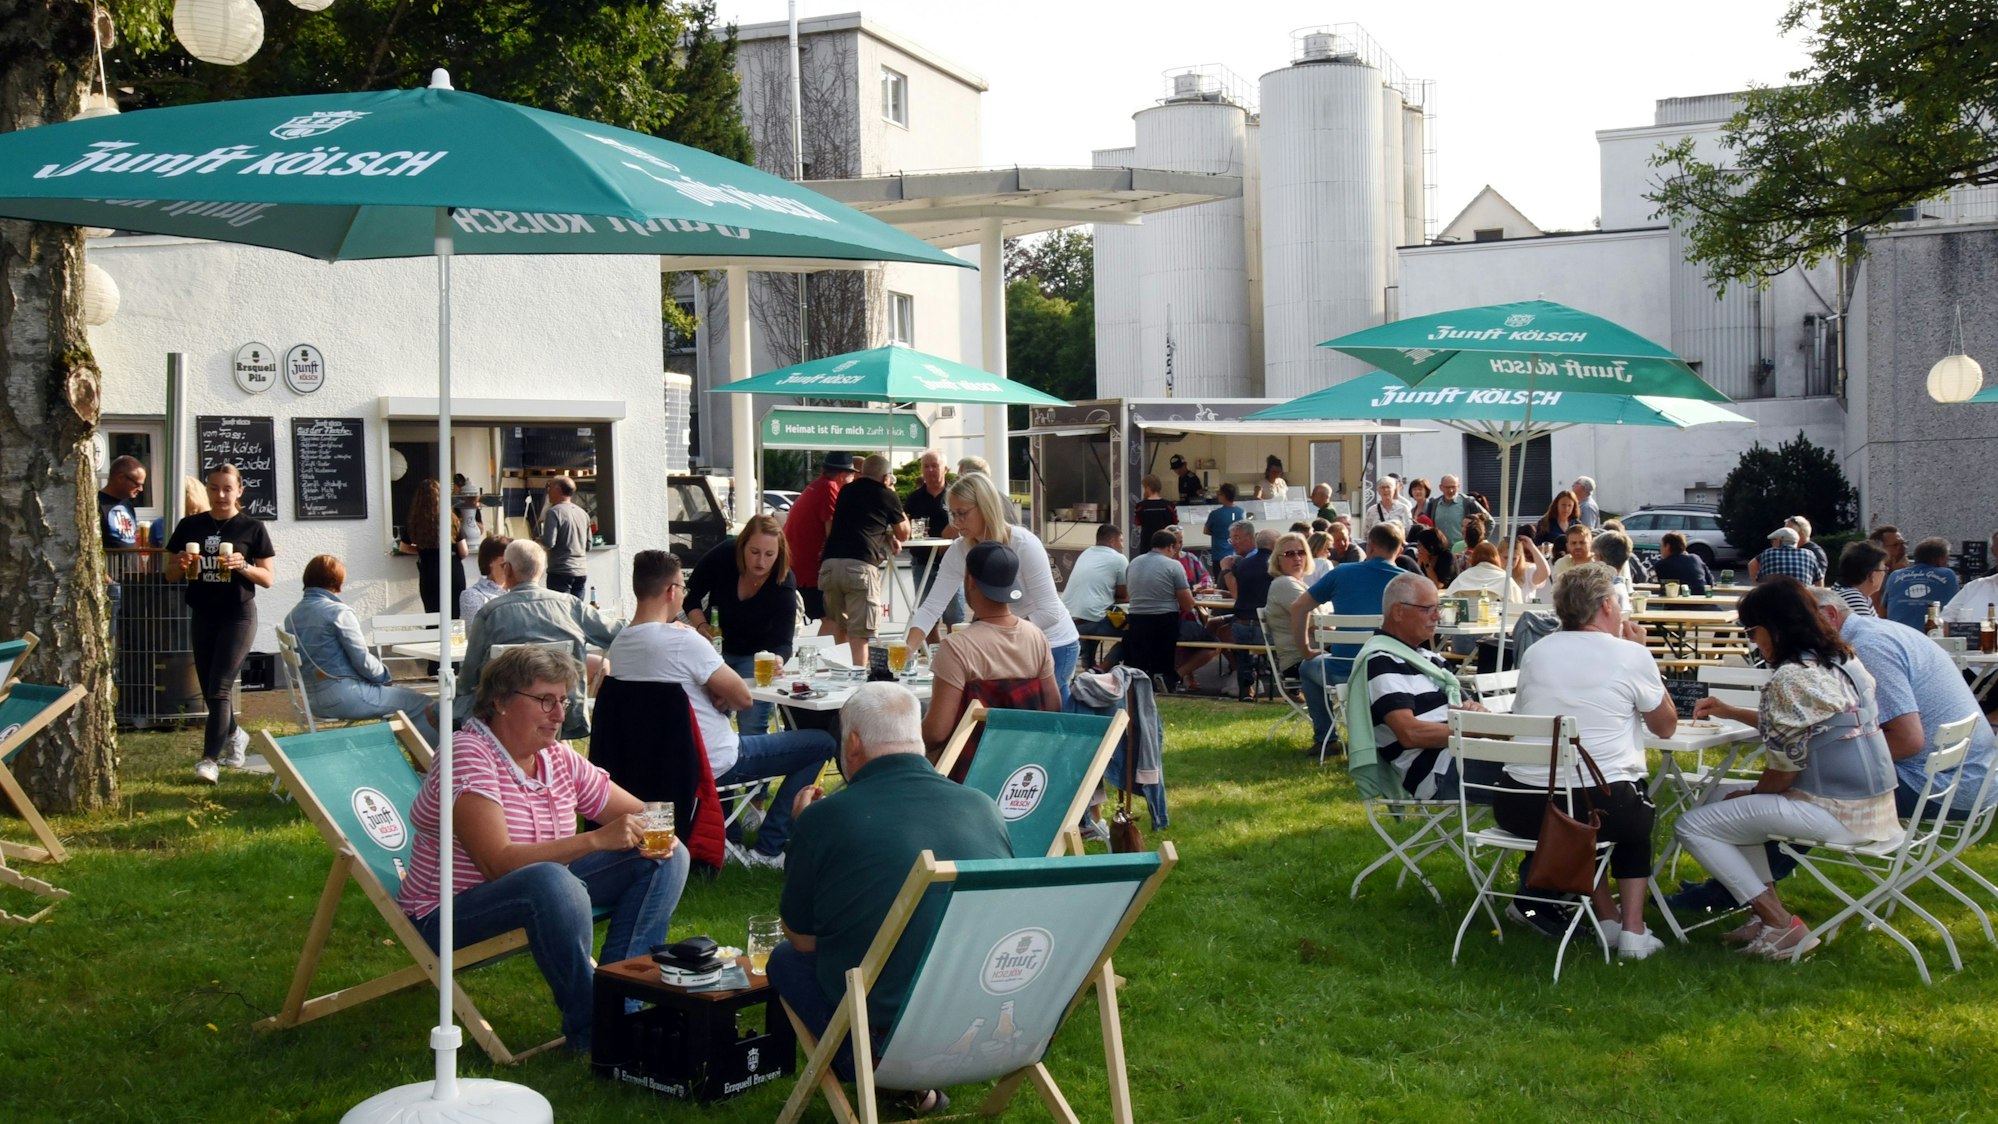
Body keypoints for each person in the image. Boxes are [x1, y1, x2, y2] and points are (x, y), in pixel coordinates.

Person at [397, 645, 688, 1055]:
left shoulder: (555, 756)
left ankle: (620, 1002)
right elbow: (498, 864)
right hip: (449, 916)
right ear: (499, 701)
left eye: (563, 700)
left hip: (543, 890)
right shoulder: (468, 755)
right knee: (552, 878)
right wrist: (594, 840)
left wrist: (655, 828)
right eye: (545, 701)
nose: (559, 714)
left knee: (668, 854)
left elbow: (644, 814)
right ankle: (594, 1031)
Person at [770, 683, 1013, 1109]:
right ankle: (914, 1091)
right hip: (990, 1023)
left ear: (854, 742)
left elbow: (803, 940)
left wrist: (803, 829)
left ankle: (893, 1081)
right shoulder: (983, 806)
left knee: (785, 960)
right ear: (915, 736)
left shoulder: (826, 818)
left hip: (888, 1041)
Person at [1672, 578, 1900, 960]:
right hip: (1873, 803)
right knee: (1716, 796)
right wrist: (1732, 712)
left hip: (1836, 810)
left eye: (1753, 631)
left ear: (1774, 627)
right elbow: (1813, 726)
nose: (1753, 641)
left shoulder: (1790, 677)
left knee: (1691, 825)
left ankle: (1779, 924)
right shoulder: (1842, 660)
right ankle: (1764, 919)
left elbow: (1782, 772)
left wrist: (1753, 794)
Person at [606, 550, 835, 870]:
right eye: (683, 588)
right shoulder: (682, 641)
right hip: (711, 761)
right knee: (821, 743)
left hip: (655, 766)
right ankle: (769, 849)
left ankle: (733, 837)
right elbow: (743, 697)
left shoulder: (619, 646)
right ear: (672, 590)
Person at [1497, 563, 1674, 955]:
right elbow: (1665, 726)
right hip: (1592, 806)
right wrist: (1645, 657)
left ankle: (1608, 919)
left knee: (1604, 801)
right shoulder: (1630, 655)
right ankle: (1632, 929)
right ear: (1607, 605)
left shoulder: (1537, 652)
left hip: (1521, 804)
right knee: (1629, 811)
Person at [904, 472, 1081, 708]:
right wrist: (906, 649)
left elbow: (1049, 611)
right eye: (951, 514)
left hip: (1055, 642)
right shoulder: (959, 550)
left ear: (985, 506)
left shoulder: (1024, 543)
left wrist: (997, 637)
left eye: (962, 513)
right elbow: (931, 606)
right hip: (1011, 644)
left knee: (1048, 720)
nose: (955, 522)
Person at [166, 464, 276, 784]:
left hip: (238, 614)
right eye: (214, 488)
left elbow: (267, 578)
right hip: (202, 612)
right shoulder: (190, 525)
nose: (221, 495)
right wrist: (180, 564)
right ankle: (236, 735)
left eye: (228, 489)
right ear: (207, 490)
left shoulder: (251, 528)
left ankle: (209, 761)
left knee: (219, 689)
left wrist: (243, 566)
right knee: (210, 688)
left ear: (239, 491)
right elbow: (170, 573)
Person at [455, 540, 619, 738]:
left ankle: (447, 761)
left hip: (502, 712)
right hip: (563, 711)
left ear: (507, 569)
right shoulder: (570, 606)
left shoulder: (490, 613)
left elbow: (469, 676)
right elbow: (617, 632)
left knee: (440, 710)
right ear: (542, 571)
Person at [1345, 573, 1487, 799]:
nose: (1437, 616)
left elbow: (1469, 706)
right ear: (1398, 611)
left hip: (1464, 756)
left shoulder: (1430, 659)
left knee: (1543, 769)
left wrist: (1478, 714)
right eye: (1428, 609)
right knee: (1538, 773)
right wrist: (1477, 729)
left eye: (1438, 608)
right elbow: (1410, 733)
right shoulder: (1381, 661)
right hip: (1438, 772)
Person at [284, 555, 440, 745]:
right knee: (421, 703)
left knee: (402, 704)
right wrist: (384, 676)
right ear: (338, 583)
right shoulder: (338, 612)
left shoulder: (292, 616)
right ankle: (435, 764)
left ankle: (421, 762)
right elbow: (362, 660)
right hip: (346, 697)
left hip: (313, 701)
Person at [921, 541, 1061, 751]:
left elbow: (936, 732)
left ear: (970, 582)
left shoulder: (956, 647)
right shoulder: (1036, 637)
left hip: (967, 770)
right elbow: (1053, 708)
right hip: (1024, 764)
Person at [1293, 523, 1409, 750]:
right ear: (1400, 550)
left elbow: (1299, 608)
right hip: (1393, 671)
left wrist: (1305, 650)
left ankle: (1326, 738)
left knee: (1308, 667)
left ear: (1370, 545)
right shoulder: (1407, 582)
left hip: (1345, 670)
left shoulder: (1342, 572)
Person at [684, 515, 801, 736]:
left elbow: (784, 642)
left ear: (779, 554)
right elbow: (690, 597)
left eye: (769, 555)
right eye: (754, 552)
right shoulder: (723, 555)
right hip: (716, 650)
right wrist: (701, 626)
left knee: (753, 726)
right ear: (742, 545)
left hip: (757, 658)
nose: (761, 562)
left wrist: (777, 660)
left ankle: (755, 769)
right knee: (711, 723)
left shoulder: (783, 582)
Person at [820, 453, 911, 664]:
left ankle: (839, 678)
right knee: (860, 635)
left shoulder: (846, 491)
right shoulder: (886, 494)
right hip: (860, 566)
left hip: (830, 566)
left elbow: (862, 522)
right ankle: (859, 686)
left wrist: (885, 535)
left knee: (838, 626)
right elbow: (904, 533)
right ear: (886, 477)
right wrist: (894, 496)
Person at [784, 452, 857, 624]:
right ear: (842, 475)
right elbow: (834, 535)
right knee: (834, 620)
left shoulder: (818, 485)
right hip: (807, 572)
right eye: (852, 475)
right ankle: (829, 652)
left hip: (795, 566)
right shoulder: (830, 488)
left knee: (832, 620)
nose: (853, 480)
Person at [1123, 530, 1196, 692]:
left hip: (1135, 619)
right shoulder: (1173, 565)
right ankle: (1167, 678)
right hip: (1164, 620)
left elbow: (1129, 594)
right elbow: (1187, 605)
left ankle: (1140, 685)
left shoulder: (1133, 563)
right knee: (1206, 641)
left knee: (1140, 658)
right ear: (1170, 547)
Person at [901, 450, 964, 635]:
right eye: (925, 466)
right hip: (922, 561)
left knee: (955, 616)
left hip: (952, 561)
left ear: (945, 469)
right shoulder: (915, 497)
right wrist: (912, 531)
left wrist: (951, 531)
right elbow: (905, 523)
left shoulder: (955, 495)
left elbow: (967, 520)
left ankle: (956, 655)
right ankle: (933, 656)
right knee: (926, 614)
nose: (929, 470)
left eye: (934, 466)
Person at [398, 479, 468, 619]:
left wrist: (420, 550)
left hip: (429, 572)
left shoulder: (415, 521)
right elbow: (464, 551)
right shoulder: (452, 520)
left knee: (433, 616)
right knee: (454, 618)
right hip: (452, 569)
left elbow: (403, 547)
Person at [1062, 523, 1128, 670]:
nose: (1122, 545)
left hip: (1068, 621)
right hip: (1092, 622)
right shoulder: (1119, 559)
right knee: (1135, 633)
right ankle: (1103, 667)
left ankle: (1089, 667)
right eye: (1121, 540)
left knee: (1095, 615)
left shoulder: (1085, 554)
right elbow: (1124, 595)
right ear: (1112, 541)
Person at [1221, 525, 1275, 700]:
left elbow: (1239, 594)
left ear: (1252, 539)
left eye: (1237, 538)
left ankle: (1245, 685)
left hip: (1243, 625)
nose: (1233, 542)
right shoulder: (1276, 565)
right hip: (1266, 627)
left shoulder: (1242, 564)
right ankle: (1292, 687)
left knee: (1224, 631)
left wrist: (1226, 570)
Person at [1264, 532, 1315, 679]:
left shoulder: (1299, 584)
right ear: (1277, 560)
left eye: (1301, 552)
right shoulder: (1285, 583)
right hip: (1301, 661)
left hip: (1316, 655)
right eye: (1289, 554)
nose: (1297, 558)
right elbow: (1318, 623)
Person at [1884, 536, 1960, 630]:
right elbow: (1956, 608)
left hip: (1897, 633)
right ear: (1940, 559)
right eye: (1947, 557)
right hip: (1930, 635)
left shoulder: (1895, 575)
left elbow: (1884, 609)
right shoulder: (1947, 574)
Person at [536, 474, 591, 599]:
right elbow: (589, 545)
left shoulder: (554, 512)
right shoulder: (583, 513)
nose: (548, 492)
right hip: (581, 571)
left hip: (560, 571)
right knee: (577, 612)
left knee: (561, 612)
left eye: (550, 487)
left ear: (558, 489)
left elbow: (550, 543)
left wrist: (539, 540)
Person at [98, 453, 145, 550]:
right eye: (137, 484)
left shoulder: (127, 504)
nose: (141, 489)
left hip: (131, 565)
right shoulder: (96, 504)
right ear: (120, 478)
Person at [459, 535, 513, 620]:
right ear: (490, 561)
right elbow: (473, 631)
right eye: (507, 555)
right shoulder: (473, 595)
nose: (511, 560)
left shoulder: (520, 589)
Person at [1829, 540, 1886, 619]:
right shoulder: (1852, 597)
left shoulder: (1849, 592)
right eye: (1884, 570)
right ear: (1872, 575)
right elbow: (1869, 630)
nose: (1884, 574)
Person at [1749, 526, 1824, 585]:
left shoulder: (1768, 553)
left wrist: (1757, 585)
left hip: (1773, 600)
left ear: (1779, 541)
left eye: (1772, 541)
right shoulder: (1809, 554)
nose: (1771, 544)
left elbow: (1752, 565)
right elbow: (1819, 580)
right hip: (1801, 601)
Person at [1429, 475, 1486, 552]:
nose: (1451, 490)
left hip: (1461, 551)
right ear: (1441, 487)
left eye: (1454, 487)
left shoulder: (1467, 502)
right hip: (1441, 552)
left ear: (1458, 486)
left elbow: (1489, 521)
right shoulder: (1434, 504)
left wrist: (1479, 540)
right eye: (1447, 487)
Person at [1649, 531, 1712, 596]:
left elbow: (1666, 590)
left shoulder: (1661, 565)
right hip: (1703, 601)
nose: (1660, 549)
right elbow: (1710, 582)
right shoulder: (1696, 558)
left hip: (1678, 604)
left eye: (1661, 546)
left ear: (1667, 546)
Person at [1592, 530, 1637, 612]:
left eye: (1594, 556)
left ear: (1599, 557)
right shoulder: (1621, 587)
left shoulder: (1601, 594)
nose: (1592, 560)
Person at [1133, 475, 1177, 558]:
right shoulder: (1169, 506)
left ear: (1148, 488)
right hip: (1166, 545)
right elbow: (1175, 524)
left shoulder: (1140, 507)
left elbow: (1137, 523)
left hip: (1147, 545)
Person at [1204, 482, 1245, 564]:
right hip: (1236, 553)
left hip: (1219, 554)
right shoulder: (1241, 512)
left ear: (1224, 495)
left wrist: (1216, 532)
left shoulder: (1215, 514)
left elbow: (1206, 531)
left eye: (1219, 493)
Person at [1414, 526, 1456, 590]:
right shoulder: (1421, 556)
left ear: (1431, 546)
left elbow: (1437, 585)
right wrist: (1419, 561)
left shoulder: (1447, 557)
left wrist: (1426, 563)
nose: (1418, 548)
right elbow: (1414, 579)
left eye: (1420, 545)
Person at [452, 472, 484, 554]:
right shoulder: (453, 506)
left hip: (470, 544)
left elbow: (481, 529)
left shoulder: (474, 507)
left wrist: (470, 520)